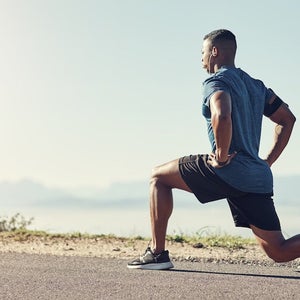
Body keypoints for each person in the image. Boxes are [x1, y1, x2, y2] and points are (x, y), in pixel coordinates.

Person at [127, 29, 298, 270]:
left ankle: (157, 254)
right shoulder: (257, 86)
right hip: (257, 178)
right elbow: (287, 119)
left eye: (203, 52)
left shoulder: (216, 81)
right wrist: (266, 162)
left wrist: (220, 155)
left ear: (214, 52)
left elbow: (222, 113)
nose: (202, 59)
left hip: (228, 169)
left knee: (158, 177)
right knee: (279, 251)